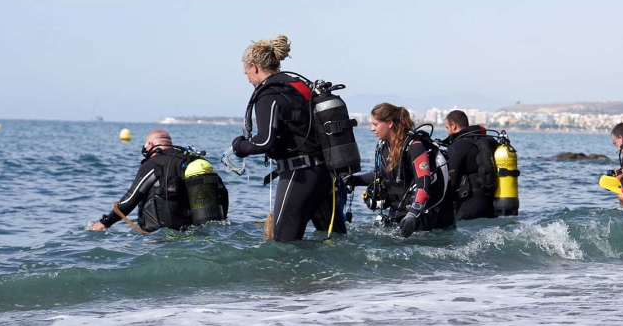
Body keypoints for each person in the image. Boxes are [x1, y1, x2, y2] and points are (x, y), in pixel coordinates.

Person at [230, 35, 346, 242]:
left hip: (299, 175)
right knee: (335, 240)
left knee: (284, 243)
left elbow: (265, 142)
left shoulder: (268, 94)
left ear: (254, 67)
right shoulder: (298, 85)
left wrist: (239, 146)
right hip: (324, 173)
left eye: (245, 71)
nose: (246, 77)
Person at [345, 103, 452, 237]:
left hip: (419, 215)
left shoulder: (415, 147)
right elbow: (380, 175)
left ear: (389, 123)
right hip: (396, 212)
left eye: (375, 124)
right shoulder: (383, 147)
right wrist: (354, 180)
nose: (372, 129)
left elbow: (423, 184)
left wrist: (413, 214)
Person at [89, 129, 228, 233]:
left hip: (162, 239)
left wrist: (105, 222)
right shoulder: (193, 160)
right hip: (196, 233)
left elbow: (130, 199)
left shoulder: (154, 164)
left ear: (150, 145)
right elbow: (223, 192)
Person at [440, 110, 498, 221]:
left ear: (454, 126)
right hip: (491, 207)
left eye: (447, 128)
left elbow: (450, 180)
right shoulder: (486, 142)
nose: (447, 133)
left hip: (468, 208)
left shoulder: (458, 145)